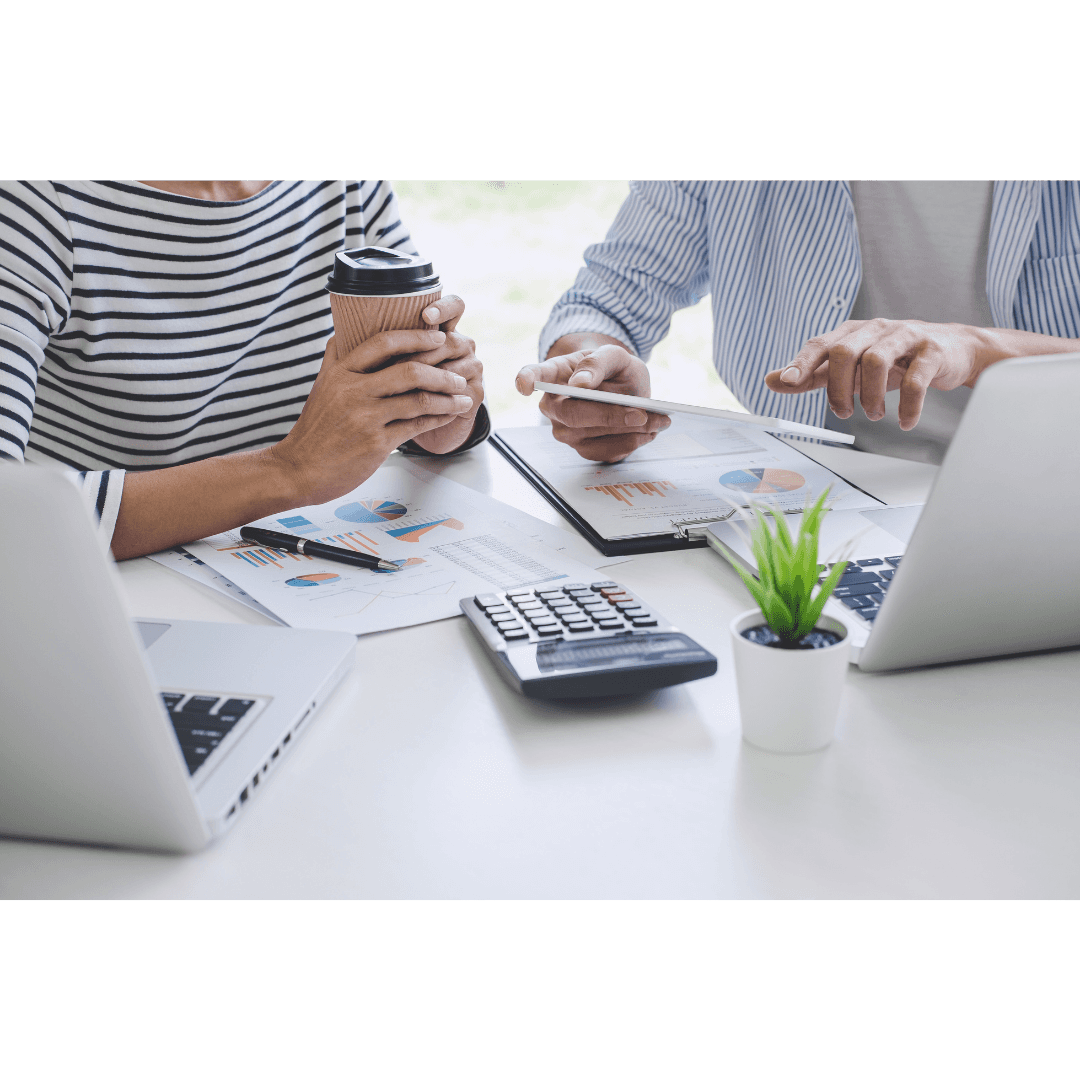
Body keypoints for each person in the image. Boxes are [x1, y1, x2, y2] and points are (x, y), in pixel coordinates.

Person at [0, 180, 488, 560]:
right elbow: (10, 518)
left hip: (294, 563)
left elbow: (401, 387)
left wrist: (440, 410)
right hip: (107, 594)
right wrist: (289, 471)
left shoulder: (344, 183)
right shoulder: (32, 202)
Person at [516, 181, 1080, 465]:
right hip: (807, 492)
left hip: (1047, 489)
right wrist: (594, 375)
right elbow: (609, 297)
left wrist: (977, 350)